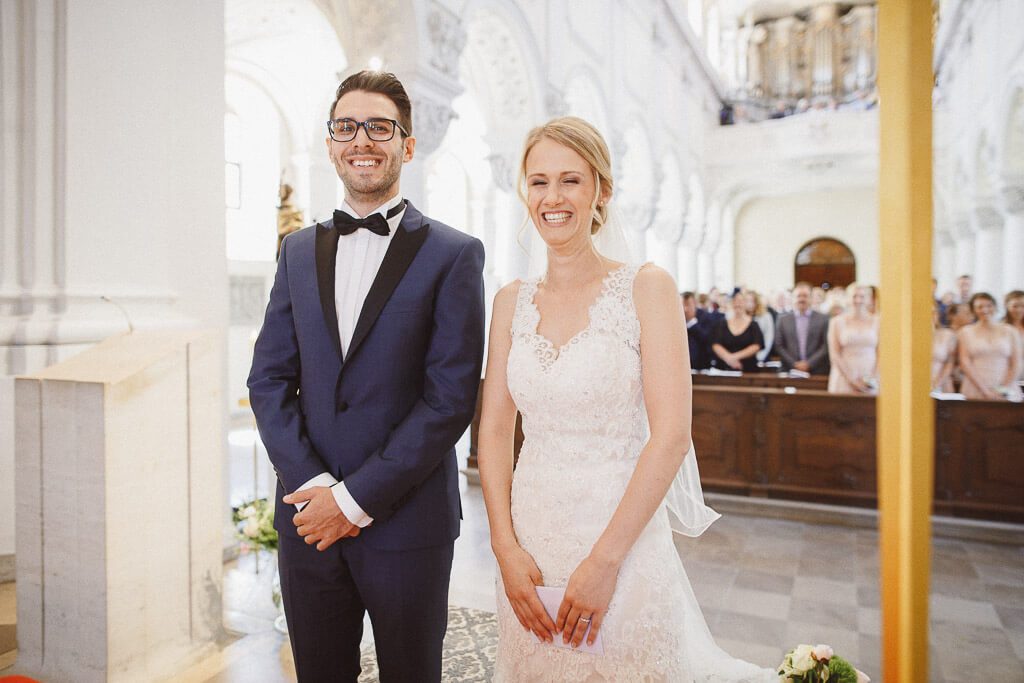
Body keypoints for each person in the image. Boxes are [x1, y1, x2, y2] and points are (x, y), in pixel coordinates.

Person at [477, 117, 774, 680]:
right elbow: (494, 428)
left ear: (601, 191)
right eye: (538, 182)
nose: (553, 198)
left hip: (622, 533)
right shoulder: (510, 302)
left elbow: (670, 436)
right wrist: (503, 546)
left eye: (570, 180)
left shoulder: (646, 287)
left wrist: (606, 560)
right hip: (530, 534)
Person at [247, 71, 486, 682]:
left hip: (406, 521)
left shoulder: (455, 254)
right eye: (346, 127)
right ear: (330, 144)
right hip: (307, 517)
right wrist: (313, 487)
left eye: (380, 127)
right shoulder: (295, 250)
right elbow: (269, 379)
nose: (362, 140)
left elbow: (449, 398)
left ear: (407, 145)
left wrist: (353, 501)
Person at [957, 292, 1022, 400]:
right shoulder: (965, 332)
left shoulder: (1010, 331)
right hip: (976, 384)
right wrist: (985, 391)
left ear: (995, 307)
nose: (985, 310)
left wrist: (1003, 388)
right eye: (980, 307)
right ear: (974, 310)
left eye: (989, 305)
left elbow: (1016, 363)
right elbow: (965, 362)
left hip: (1006, 384)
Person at [826, 283, 879, 394]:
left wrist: (872, 377)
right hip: (844, 374)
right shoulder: (836, 322)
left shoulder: (878, 321)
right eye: (854, 296)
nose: (858, 300)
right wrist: (851, 380)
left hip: (870, 373)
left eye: (862, 296)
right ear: (848, 299)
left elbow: (881, 352)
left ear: (869, 299)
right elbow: (834, 354)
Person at [775, 282, 830, 375]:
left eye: (805, 296)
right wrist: (794, 364)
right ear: (793, 298)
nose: (801, 299)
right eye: (798, 296)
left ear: (811, 298)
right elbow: (779, 345)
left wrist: (809, 363)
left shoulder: (823, 319)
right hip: (789, 369)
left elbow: (825, 345)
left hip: (817, 370)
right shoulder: (783, 320)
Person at [711, 290, 765, 372]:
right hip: (724, 368)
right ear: (732, 303)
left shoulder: (753, 325)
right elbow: (716, 344)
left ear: (745, 303)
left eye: (741, 301)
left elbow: (756, 345)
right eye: (735, 301)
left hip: (747, 369)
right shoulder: (722, 323)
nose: (738, 304)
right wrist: (728, 358)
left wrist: (734, 357)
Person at [931, 303, 957, 392]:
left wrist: (937, 384)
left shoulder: (948, 334)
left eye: (934, 312)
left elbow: (950, 363)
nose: (931, 316)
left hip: (942, 382)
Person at [745, 289, 775, 363]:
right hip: (744, 357)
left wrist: (760, 357)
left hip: (762, 356)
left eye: (752, 301)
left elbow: (768, 338)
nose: (750, 304)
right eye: (747, 301)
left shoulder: (766, 316)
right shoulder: (741, 317)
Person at [682, 291, 711, 370]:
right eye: (683, 305)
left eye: (688, 305)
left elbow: (706, 339)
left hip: (701, 365)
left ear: (695, 304)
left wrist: (691, 321)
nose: (685, 309)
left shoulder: (705, 317)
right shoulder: (677, 318)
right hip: (682, 365)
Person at [1004, 289, 1024, 380]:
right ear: (1007, 306)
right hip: (1006, 376)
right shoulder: (1000, 327)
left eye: (1023, 306)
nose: (1019, 310)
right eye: (1015, 306)